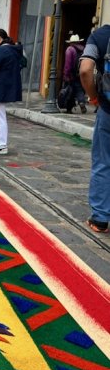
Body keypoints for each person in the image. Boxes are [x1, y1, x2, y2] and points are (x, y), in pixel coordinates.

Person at [78, 24, 110, 233]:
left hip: (108, 110)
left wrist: (94, 97)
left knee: (103, 162)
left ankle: (100, 219)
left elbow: (85, 69)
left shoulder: (100, 36)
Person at [62, 33, 87, 114]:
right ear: (78, 41)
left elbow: (68, 64)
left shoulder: (70, 49)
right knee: (79, 89)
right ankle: (82, 102)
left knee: (69, 91)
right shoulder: (83, 49)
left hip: (71, 74)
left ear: (70, 42)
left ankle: (69, 108)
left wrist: (66, 75)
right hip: (80, 74)